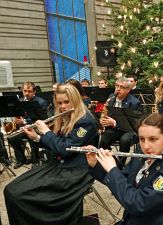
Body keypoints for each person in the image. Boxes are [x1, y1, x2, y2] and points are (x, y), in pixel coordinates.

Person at [4, 84, 99, 225]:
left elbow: (65, 150)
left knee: (19, 194)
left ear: (76, 100)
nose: (62, 107)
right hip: (59, 164)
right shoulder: (66, 117)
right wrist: (36, 137)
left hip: (76, 170)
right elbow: (56, 144)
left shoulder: (86, 121)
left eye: (67, 102)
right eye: (59, 103)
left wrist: (47, 133)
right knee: (11, 190)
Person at [87, 113, 163, 225]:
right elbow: (123, 179)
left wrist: (112, 169)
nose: (146, 146)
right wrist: (96, 163)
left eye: (153, 139)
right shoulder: (141, 153)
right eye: (141, 139)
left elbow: (138, 204)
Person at [98, 77, 142, 166]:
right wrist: (104, 120)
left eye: (122, 87)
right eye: (116, 86)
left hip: (129, 130)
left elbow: (134, 123)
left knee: (124, 140)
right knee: (102, 139)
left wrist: (114, 123)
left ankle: (120, 165)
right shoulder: (111, 98)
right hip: (115, 129)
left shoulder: (135, 102)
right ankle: (114, 162)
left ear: (128, 90)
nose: (118, 89)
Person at [7, 81, 48, 169]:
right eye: (25, 91)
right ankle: (21, 159)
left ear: (34, 91)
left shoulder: (41, 102)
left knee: (31, 138)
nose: (27, 93)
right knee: (11, 138)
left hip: (35, 128)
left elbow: (42, 119)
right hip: (23, 128)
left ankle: (36, 160)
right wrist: (16, 120)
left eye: (29, 91)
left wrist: (25, 121)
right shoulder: (20, 101)